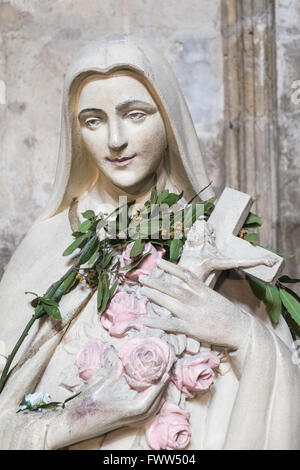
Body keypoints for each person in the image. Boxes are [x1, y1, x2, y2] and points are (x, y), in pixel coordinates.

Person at [0, 35, 299, 450]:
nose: (115, 140)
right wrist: (76, 419)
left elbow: (287, 381)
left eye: (135, 114)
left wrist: (239, 331)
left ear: (169, 120)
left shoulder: (217, 235)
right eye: (93, 121)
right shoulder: (50, 242)